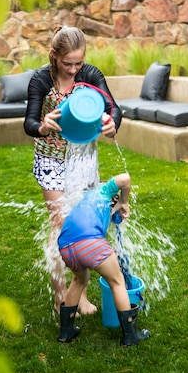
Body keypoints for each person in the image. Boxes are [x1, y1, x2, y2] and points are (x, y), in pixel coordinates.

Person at [23, 25, 122, 315]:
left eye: (78, 62)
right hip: (51, 161)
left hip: (83, 160)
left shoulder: (89, 75)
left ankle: (80, 294)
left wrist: (113, 122)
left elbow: (113, 106)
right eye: (68, 63)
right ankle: (60, 295)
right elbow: (28, 122)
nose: (74, 69)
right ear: (54, 56)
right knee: (62, 227)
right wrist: (42, 126)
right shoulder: (41, 80)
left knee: (86, 226)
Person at [57, 172, 150, 347]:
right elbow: (125, 178)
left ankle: (65, 331)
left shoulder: (87, 201)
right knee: (117, 281)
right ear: (114, 196)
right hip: (89, 242)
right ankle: (130, 336)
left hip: (65, 245)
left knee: (79, 280)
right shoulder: (103, 192)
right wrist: (125, 201)